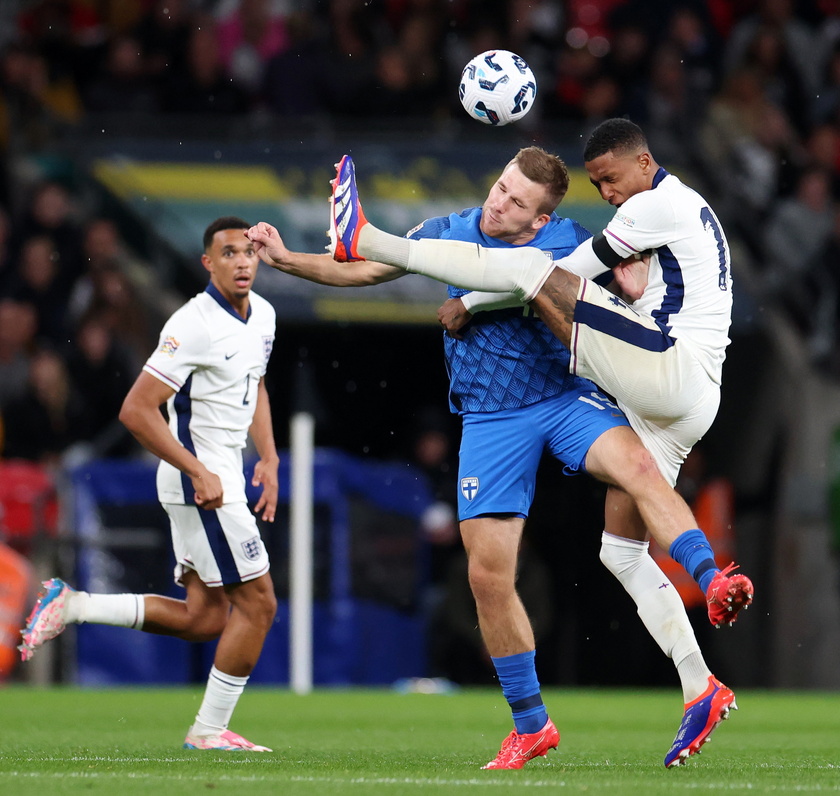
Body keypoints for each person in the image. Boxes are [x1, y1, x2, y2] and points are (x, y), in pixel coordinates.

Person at [246, 144, 749, 769]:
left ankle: (712, 578)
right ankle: (531, 725)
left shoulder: (568, 239)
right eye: (500, 187)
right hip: (490, 417)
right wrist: (286, 260)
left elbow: (610, 276)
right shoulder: (447, 233)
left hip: (566, 398)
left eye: (516, 201)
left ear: (541, 221)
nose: (498, 202)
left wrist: (628, 280)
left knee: (639, 469)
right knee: (486, 575)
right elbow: (360, 273)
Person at [19, 217, 279, 752]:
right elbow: (136, 410)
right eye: (228, 253)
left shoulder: (264, 317)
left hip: (223, 472)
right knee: (260, 604)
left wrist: (270, 459)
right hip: (202, 477)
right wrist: (198, 469)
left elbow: (255, 386)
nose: (242, 261)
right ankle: (208, 732)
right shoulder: (193, 323)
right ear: (208, 263)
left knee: (205, 619)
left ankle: (73, 606)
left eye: (249, 251)